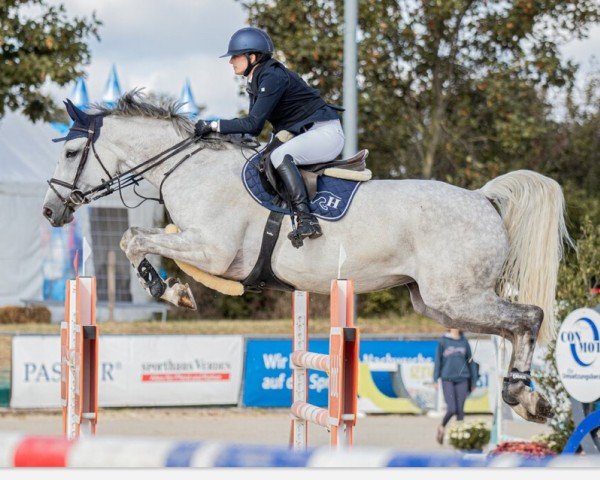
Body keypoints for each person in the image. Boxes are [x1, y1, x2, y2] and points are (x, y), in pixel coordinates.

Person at [194, 27, 345, 245]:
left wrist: (214, 125)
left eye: (235, 56)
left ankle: (306, 218)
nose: (231, 62)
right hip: (307, 134)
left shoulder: (272, 76)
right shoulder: (257, 79)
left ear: (252, 57)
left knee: (280, 157)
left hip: (325, 133)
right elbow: (250, 130)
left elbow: (253, 125)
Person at [432, 328, 478, 445]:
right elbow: (438, 360)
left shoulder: (464, 341)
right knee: (452, 408)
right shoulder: (443, 341)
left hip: (463, 379)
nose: (457, 327)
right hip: (447, 379)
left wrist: (473, 381)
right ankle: (442, 426)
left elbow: (471, 362)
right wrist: (435, 379)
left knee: (460, 411)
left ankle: (460, 440)